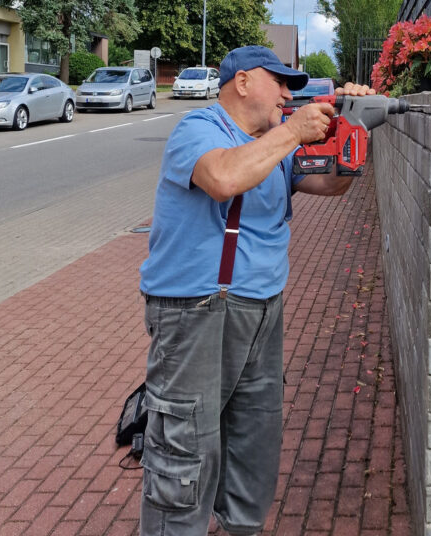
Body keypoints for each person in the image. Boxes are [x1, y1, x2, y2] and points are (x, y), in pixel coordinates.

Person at [137, 45, 375, 536]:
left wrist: (358, 126)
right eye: (280, 81)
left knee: (254, 439)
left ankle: (239, 526)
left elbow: (330, 186)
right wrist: (293, 131)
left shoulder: (274, 144)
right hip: (196, 311)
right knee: (185, 446)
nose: (290, 93)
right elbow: (224, 178)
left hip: (263, 309)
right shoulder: (197, 130)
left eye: (293, 85)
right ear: (242, 82)